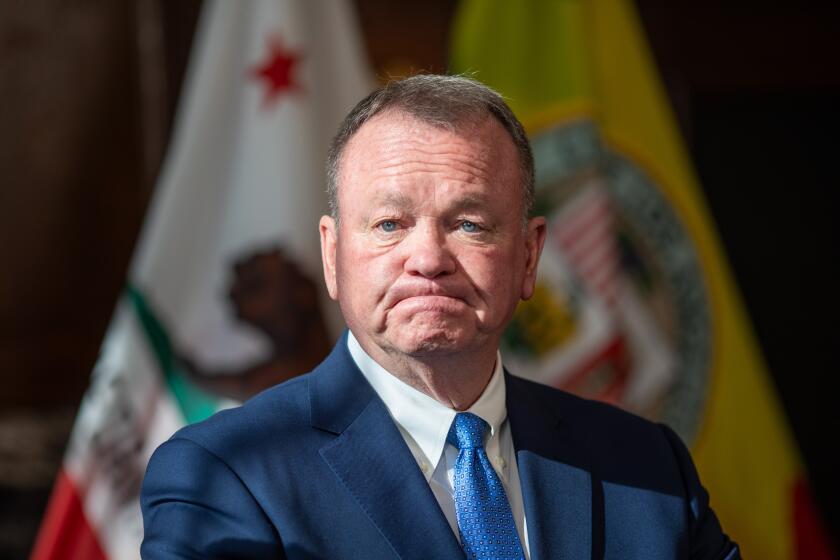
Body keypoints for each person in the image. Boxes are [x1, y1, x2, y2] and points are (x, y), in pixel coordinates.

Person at [140, 74, 739, 559]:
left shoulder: (648, 467)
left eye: (469, 224)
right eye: (389, 224)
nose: (427, 259)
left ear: (529, 256)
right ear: (332, 256)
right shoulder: (225, 476)